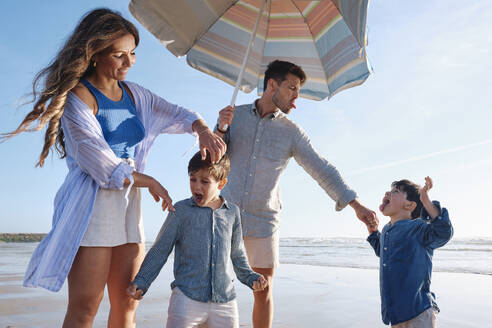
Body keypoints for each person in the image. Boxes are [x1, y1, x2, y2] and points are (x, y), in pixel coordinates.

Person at [3, 8, 226, 328]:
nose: (129, 62)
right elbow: (96, 160)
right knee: (84, 309)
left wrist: (202, 128)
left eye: (132, 53)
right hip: (91, 206)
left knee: (126, 303)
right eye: (120, 55)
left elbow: (178, 113)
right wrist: (146, 180)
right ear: (94, 54)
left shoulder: (136, 94)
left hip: (128, 207)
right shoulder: (78, 98)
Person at [215, 60, 377, 328]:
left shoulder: (292, 133)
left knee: (263, 289)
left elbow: (321, 168)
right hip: (224, 217)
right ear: (271, 85)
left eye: (298, 90)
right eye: (291, 88)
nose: (296, 96)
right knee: (213, 288)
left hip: (263, 221)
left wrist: (355, 204)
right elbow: (210, 161)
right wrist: (220, 128)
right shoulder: (236, 116)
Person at [127, 151, 268, 328]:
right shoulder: (181, 211)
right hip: (186, 299)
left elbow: (237, 255)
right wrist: (142, 281)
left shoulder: (232, 213)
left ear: (221, 183)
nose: (197, 187)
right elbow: (160, 250)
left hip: (225, 302)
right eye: (193, 179)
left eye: (205, 181)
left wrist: (251, 278)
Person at [365, 177, 453, 327]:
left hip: (419, 312)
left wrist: (426, 201)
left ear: (410, 205)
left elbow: (443, 233)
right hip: (396, 313)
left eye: (395, 191)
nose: (387, 193)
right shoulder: (387, 230)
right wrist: (373, 231)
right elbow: (383, 252)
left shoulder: (418, 228)